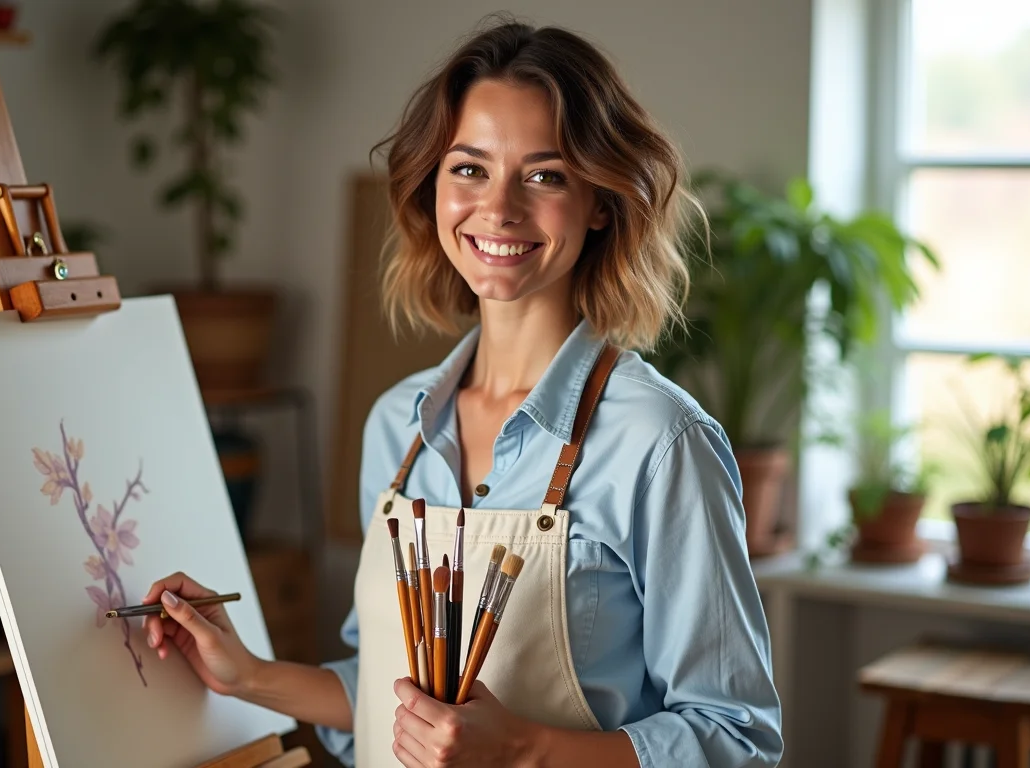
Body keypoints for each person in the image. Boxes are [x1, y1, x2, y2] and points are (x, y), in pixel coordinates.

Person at [140, 15, 783, 768]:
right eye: (469, 168)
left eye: (545, 175)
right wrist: (247, 674)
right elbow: (386, 690)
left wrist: (522, 749)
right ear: (432, 187)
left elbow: (736, 738)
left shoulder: (660, 442)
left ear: (602, 201)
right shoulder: (396, 425)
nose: (499, 208)